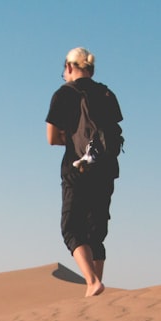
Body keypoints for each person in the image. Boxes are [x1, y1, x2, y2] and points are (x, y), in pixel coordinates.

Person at [46, 46, 123, 297]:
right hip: (106, 168)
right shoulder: (107, 93)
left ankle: (91, 282)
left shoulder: (63, 94)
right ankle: (96, 288)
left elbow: (51, 138)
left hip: (77, 167)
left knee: (71, 228)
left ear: (69, 67)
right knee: (96, 231)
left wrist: (68, 138)